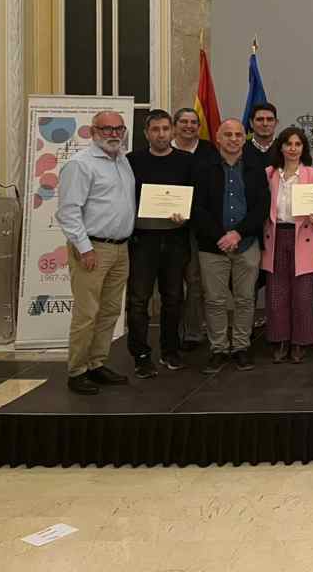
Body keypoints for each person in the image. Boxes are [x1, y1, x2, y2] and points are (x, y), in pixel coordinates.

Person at [55, 110, 136, 395]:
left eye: (118, 129)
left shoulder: (122, 160)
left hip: (120, 248)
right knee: (87, 313)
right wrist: (85, 249)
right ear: (93, 132)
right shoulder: (80, 165)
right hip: (92, 248)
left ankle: (96, 363)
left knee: (110, 311)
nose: (113, 134)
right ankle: (77, 371)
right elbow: (68, 212)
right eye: (107, 129)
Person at [191, 119, 269, 374]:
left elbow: (261, 207)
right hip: (212, 246)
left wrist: (238, 233)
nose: (234, 139)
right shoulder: (203, 168)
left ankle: (241, 347)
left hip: (247, 244)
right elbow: (198, 208)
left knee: (246, 299)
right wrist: (220, 236)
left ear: (244, 138)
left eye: (238, 134)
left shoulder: (255, 168)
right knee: (214, 300)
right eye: (228, 134)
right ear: (218, 138)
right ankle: (218, 349)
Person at [125, 109, 194, 378]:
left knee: (174, 298)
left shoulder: (186, 161)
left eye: (166, 129)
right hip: (143, 240)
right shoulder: (132, 161)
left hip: (176, 239)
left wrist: (185, 217)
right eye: (156, 129)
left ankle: (170, 351)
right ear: (146, 133)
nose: (161, 134)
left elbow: (195, 197)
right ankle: (141, 354)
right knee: (139, 299)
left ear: (173, 131)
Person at [261, 127, 313, 364]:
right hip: (276, 238)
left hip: (305, 239)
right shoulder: (269, 174)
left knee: (302, 295)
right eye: (288, 144)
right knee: (277, 295)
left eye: (297, 144)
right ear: (280, 147)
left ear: (303, 148)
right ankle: (280, 340)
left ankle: (300, 342)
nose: (292, 148)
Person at [172, 107, 218, 352]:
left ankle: (193, 332)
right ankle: (171, 333)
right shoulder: (165, 150)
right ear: (174, 125)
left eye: (193, 122)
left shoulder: (209, 150)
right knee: (170, 282)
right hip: (166, 227)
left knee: (194, 279)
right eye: (184, 122)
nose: (189, 126)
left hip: (197, 226)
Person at [244, 102, 279, 168]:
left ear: (276, 123)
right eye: (260, 119)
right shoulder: (240, 150)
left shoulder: (284, 149)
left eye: (269, 119)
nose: (265, 124)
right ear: (251, 123)